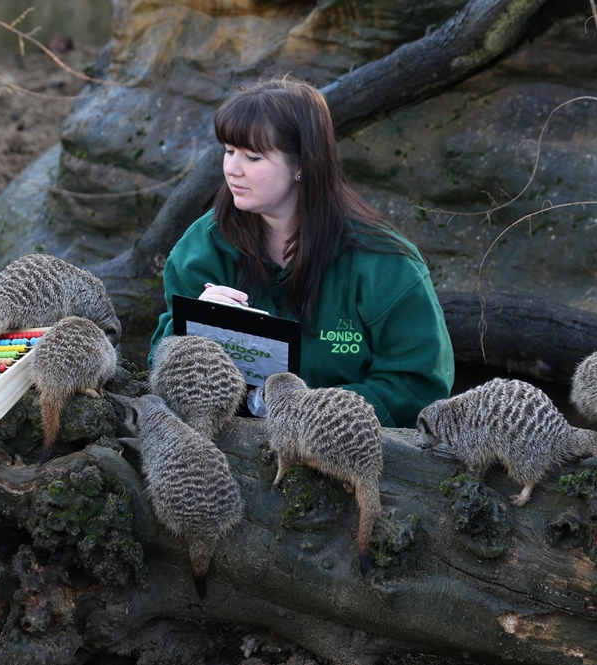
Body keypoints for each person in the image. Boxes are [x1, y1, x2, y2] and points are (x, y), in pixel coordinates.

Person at [149, 77, 454, 427]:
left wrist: (306, 410)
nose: (232, 169)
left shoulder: (387, 264)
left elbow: (419, 386)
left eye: (253, 156)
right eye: (228, 151)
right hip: (223, 441)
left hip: (343, 451)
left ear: (302, 165)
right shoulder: (204, 246)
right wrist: (194, 330)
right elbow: (159, 356)